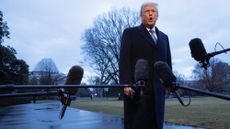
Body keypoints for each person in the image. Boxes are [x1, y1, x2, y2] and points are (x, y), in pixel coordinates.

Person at [119, 2, 172, 129]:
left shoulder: (164, 38)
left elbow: (167, 62)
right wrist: (125, 84)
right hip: (137, 90)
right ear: (141, 16)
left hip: (158, 92)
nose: (150, 13)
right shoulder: (130, 33)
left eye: (153, 11)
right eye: (147, 11)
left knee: (156, 124)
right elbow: (124, 60)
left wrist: (169, 83)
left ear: (157, 16)